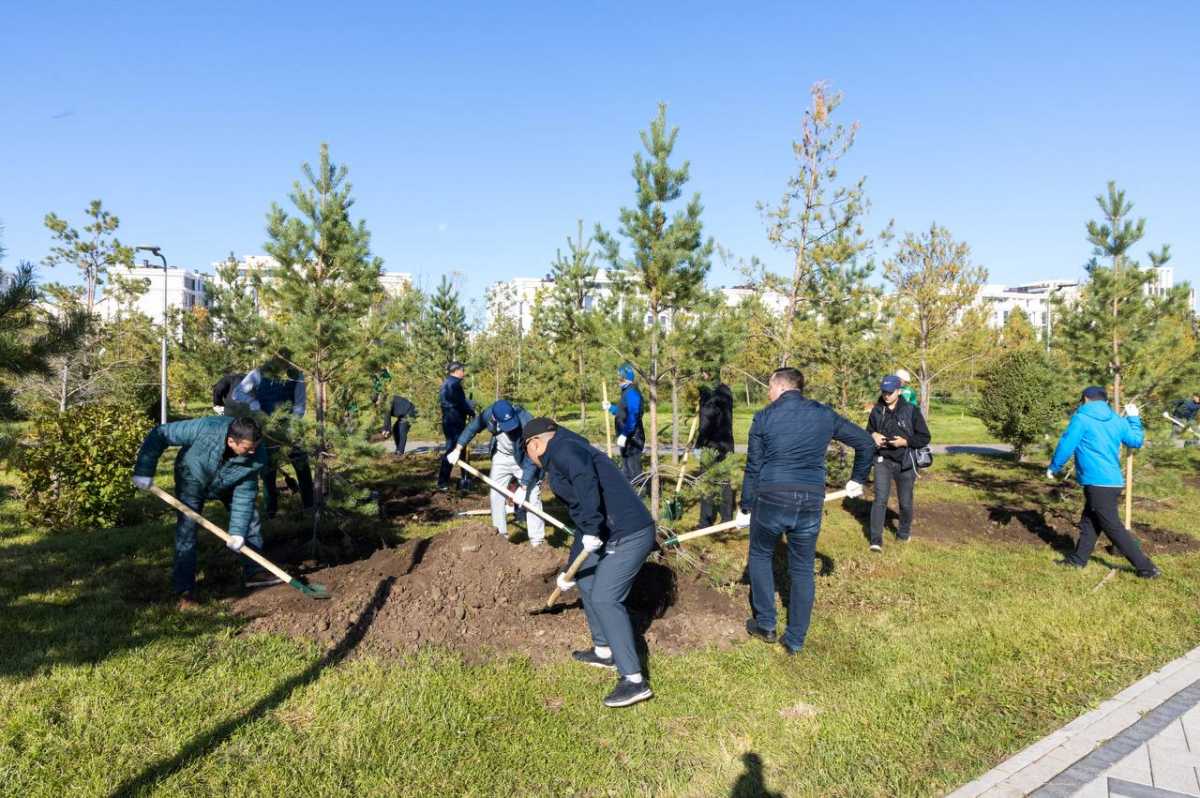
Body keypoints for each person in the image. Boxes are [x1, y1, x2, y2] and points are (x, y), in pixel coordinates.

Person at [738, 367, 874, 655]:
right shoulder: (823, 414)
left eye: (769, 386)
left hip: (772, 497)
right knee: (802, 569)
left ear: (780, 387)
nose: (767, 392)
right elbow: (864, 442)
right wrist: (857, 478)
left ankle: (766, 624)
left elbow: (753, 466)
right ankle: (795, 639)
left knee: (760, 555)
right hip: (810, 501)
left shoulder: (764, 417)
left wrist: (746, 506)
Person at [523, 417, 656, 708]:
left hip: (629, 532)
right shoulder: (564, 450)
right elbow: (581, 509)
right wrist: (568, 570)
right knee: (585, 576)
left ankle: (634, 681)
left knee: (606, 598)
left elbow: (586, 485)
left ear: (534, 444)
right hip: (609, 529)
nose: (530, 460)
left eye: (528, 453)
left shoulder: (564, 451)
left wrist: (594, 528)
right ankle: (604, 650)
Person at [131, 416, 275, 609]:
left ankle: (255, 571)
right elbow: (160, 433)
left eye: (256, 446)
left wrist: (238, 531)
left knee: (250, 522)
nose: (254, 451)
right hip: (192, 477)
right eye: (248, 447)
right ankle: (184, 590)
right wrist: (144, 469)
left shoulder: (257, 455)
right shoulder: (206, 427)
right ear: (231, 441)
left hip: (229, 483)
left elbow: (245, 494)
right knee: (187, 530)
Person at [1048, 387, 1159, 578]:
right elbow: (1135, 440)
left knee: (1112, 526)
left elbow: (1067, 443)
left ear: (1085, 399)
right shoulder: (1117, 420)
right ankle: (1078, 560)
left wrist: (1054, 466)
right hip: (1113, 481)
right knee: (1090, 521)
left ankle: (1146, 567)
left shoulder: (1082, 418)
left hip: (1097, 482)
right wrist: (1134, 419)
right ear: (1106, 401)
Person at [447, 399, 545, 546]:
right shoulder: (488, 414)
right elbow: (472, 428)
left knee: (532, 497)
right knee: (496, 495)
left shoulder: (527, 421)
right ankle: (500, 538)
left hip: (525, 459)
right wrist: (457, 448)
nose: (511, 429)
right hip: (501, 457)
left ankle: (537, 542)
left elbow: (533, 457)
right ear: (494, 417)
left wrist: (523, 486)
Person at [233, 351, 314, 518]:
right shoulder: (259, 373)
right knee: (268, 470)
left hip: (290, 427)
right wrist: (253, 402)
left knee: (301, 465)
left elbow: (300, 404)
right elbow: (238, 393)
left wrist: (292, 428)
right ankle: (271, 511)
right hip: (266, 428)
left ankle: (310, 506)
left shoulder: (296, 374)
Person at [866, 374, 932, 551]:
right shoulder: (877, 410)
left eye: (890, 392)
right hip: (883, 460)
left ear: (899, 391)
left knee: (905, 502)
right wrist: (873, 435)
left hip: (905, 462)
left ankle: (903, 534)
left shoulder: (911, 410)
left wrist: (904, 442)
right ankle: (875, 540)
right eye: (883, 392)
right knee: (880, 499)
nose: (886, 395)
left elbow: (924, 437)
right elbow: (869, 430)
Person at [695, 377, 735, 528]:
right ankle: (727, 519)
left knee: (707, 481)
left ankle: (705, 520)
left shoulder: (707, 391)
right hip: (726, 442)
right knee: (724, 481)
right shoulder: (726, 390)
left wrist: (699, 444)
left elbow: (706, 422)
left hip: (710, 444)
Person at [437, 361, 476, 492]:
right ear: (457, 371)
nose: (464, 373)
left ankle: (465, 477)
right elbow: (460, 404)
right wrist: (471, 410)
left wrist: (467, 405)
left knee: (460, 448)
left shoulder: (447, 383)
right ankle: (443, 482)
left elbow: (456, 402)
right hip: (455, 422)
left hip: (449, 421)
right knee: (453, 449)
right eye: (462, 370)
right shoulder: (454, 385)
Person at [603, 364, 645, 484]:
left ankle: (640, 497)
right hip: (626, 437)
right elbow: (623, 411)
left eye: (620, 378)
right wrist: (611, 407)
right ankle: (629, 497)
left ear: (626, 378)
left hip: (633, 438)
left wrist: (625, 434)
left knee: (634, 472)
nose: (618, 381)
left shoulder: (632, 393)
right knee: (626, 470)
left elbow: (633, 416)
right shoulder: (626, 392)